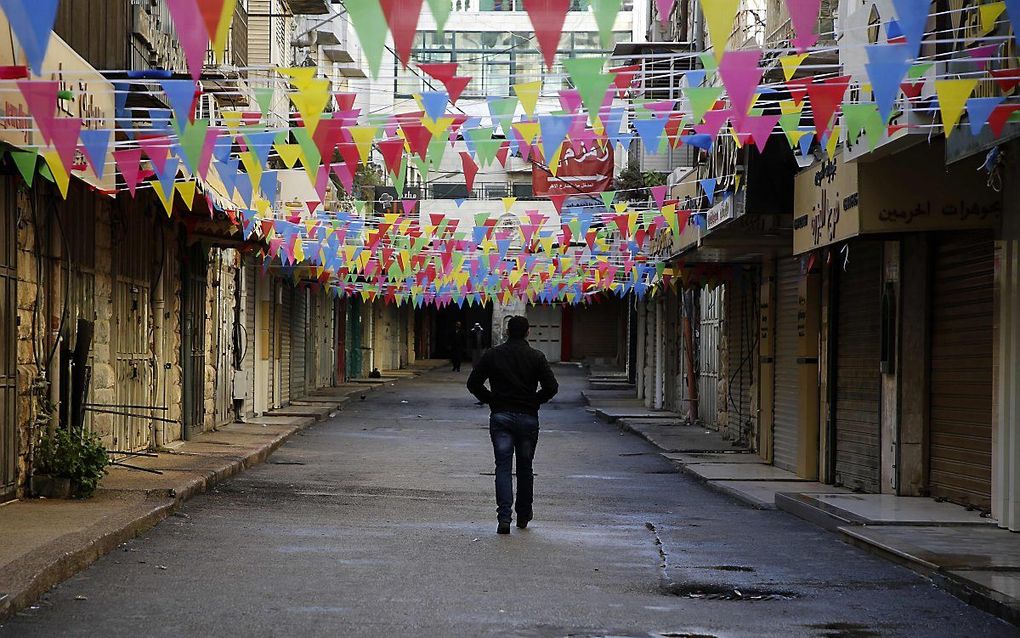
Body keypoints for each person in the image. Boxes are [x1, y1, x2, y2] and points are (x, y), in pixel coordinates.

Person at [467, 316, 558, 535]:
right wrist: (535, 400)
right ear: (528, 332)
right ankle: (524, 514)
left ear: (507, 331)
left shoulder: (493, 355)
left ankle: (504, 518)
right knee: (525, 468)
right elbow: (551, 387)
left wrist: (492, 400)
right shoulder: (536, 357)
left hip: (501, 417)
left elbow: (473, 383)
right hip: (528, 418)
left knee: (503, 467)